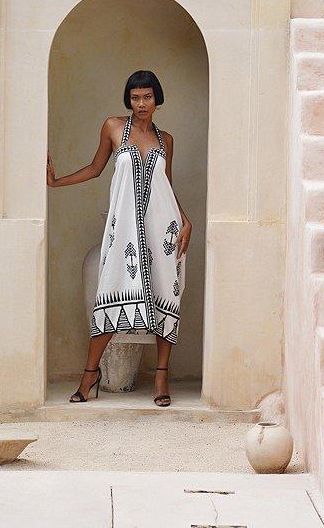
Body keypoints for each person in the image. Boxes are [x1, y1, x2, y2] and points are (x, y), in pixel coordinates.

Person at [46, 70, 192, 407]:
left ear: (157, 99)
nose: (141, 103)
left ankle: (161, 377)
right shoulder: (113, 127)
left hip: (163, 230)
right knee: (109, 293)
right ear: (128, 99)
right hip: (123, 230)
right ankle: (90, 375)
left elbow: (166, 185)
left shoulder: (166, 140)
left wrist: (185, 220)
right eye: (135, 97)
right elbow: (95, 168)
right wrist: (56, 182)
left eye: (147, 97)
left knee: (165, 294)